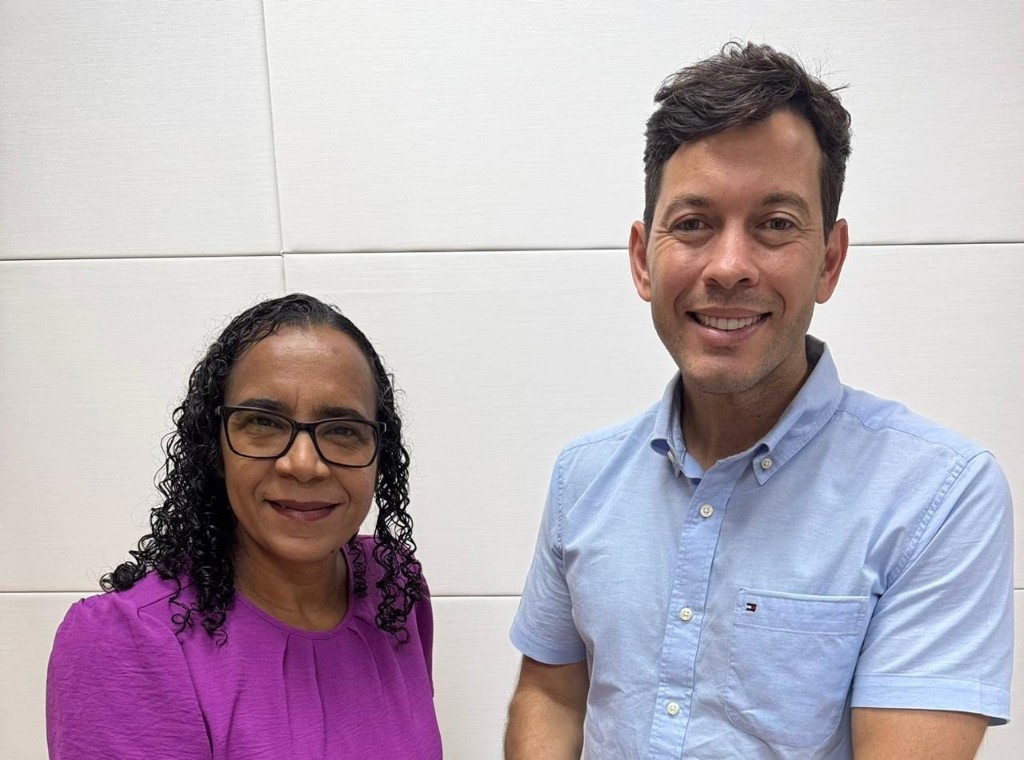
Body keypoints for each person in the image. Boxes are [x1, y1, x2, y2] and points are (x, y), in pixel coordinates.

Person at [505, 42, 1014, 760]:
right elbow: (553, 695)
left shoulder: (938, 495)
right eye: (693, 223)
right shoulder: (582, 478)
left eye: (775, 224)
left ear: (829, 260)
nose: (729, 267)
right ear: (642, 259)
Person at [46, 293, 442, 759]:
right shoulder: (124, 644)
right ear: (214, 446)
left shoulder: (392, 586)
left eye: (342, 429)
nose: (303, 464)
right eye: (263, 422)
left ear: (380, 455)